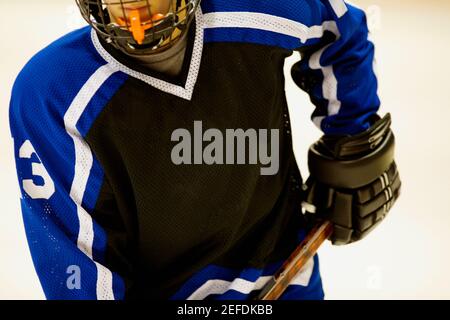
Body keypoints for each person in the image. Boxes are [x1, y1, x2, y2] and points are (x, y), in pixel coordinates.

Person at [9, 0, 401, 300]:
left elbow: (339, 27)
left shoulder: (252, 10)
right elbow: (71, 259)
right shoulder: (53, 96)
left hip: (283, 276)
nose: (138, 20)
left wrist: (353, 136)